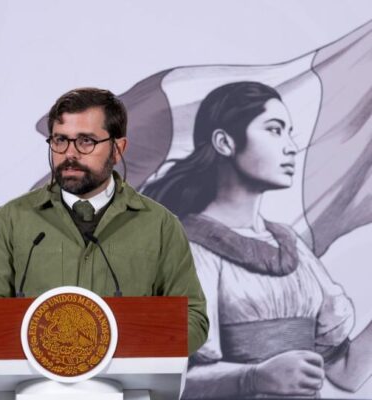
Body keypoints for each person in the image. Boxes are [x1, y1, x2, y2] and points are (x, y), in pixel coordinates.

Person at [142, 81, 372, 398]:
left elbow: (346, 373)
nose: (291, 147)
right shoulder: (185, 248)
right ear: (224, 142)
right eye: (275, 130)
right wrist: (254, 377)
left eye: (289, 132)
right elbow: (161, 381)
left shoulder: (290, 245)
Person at [0, 87, 209, 354]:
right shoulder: (11, 220)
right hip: (37, 380)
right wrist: (49, 350)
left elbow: (192, 319)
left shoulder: (159, 225)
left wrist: (117, 349)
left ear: (117, 149)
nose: (70, 154)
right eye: (60, 140)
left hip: (126, 380)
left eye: (86, 141)